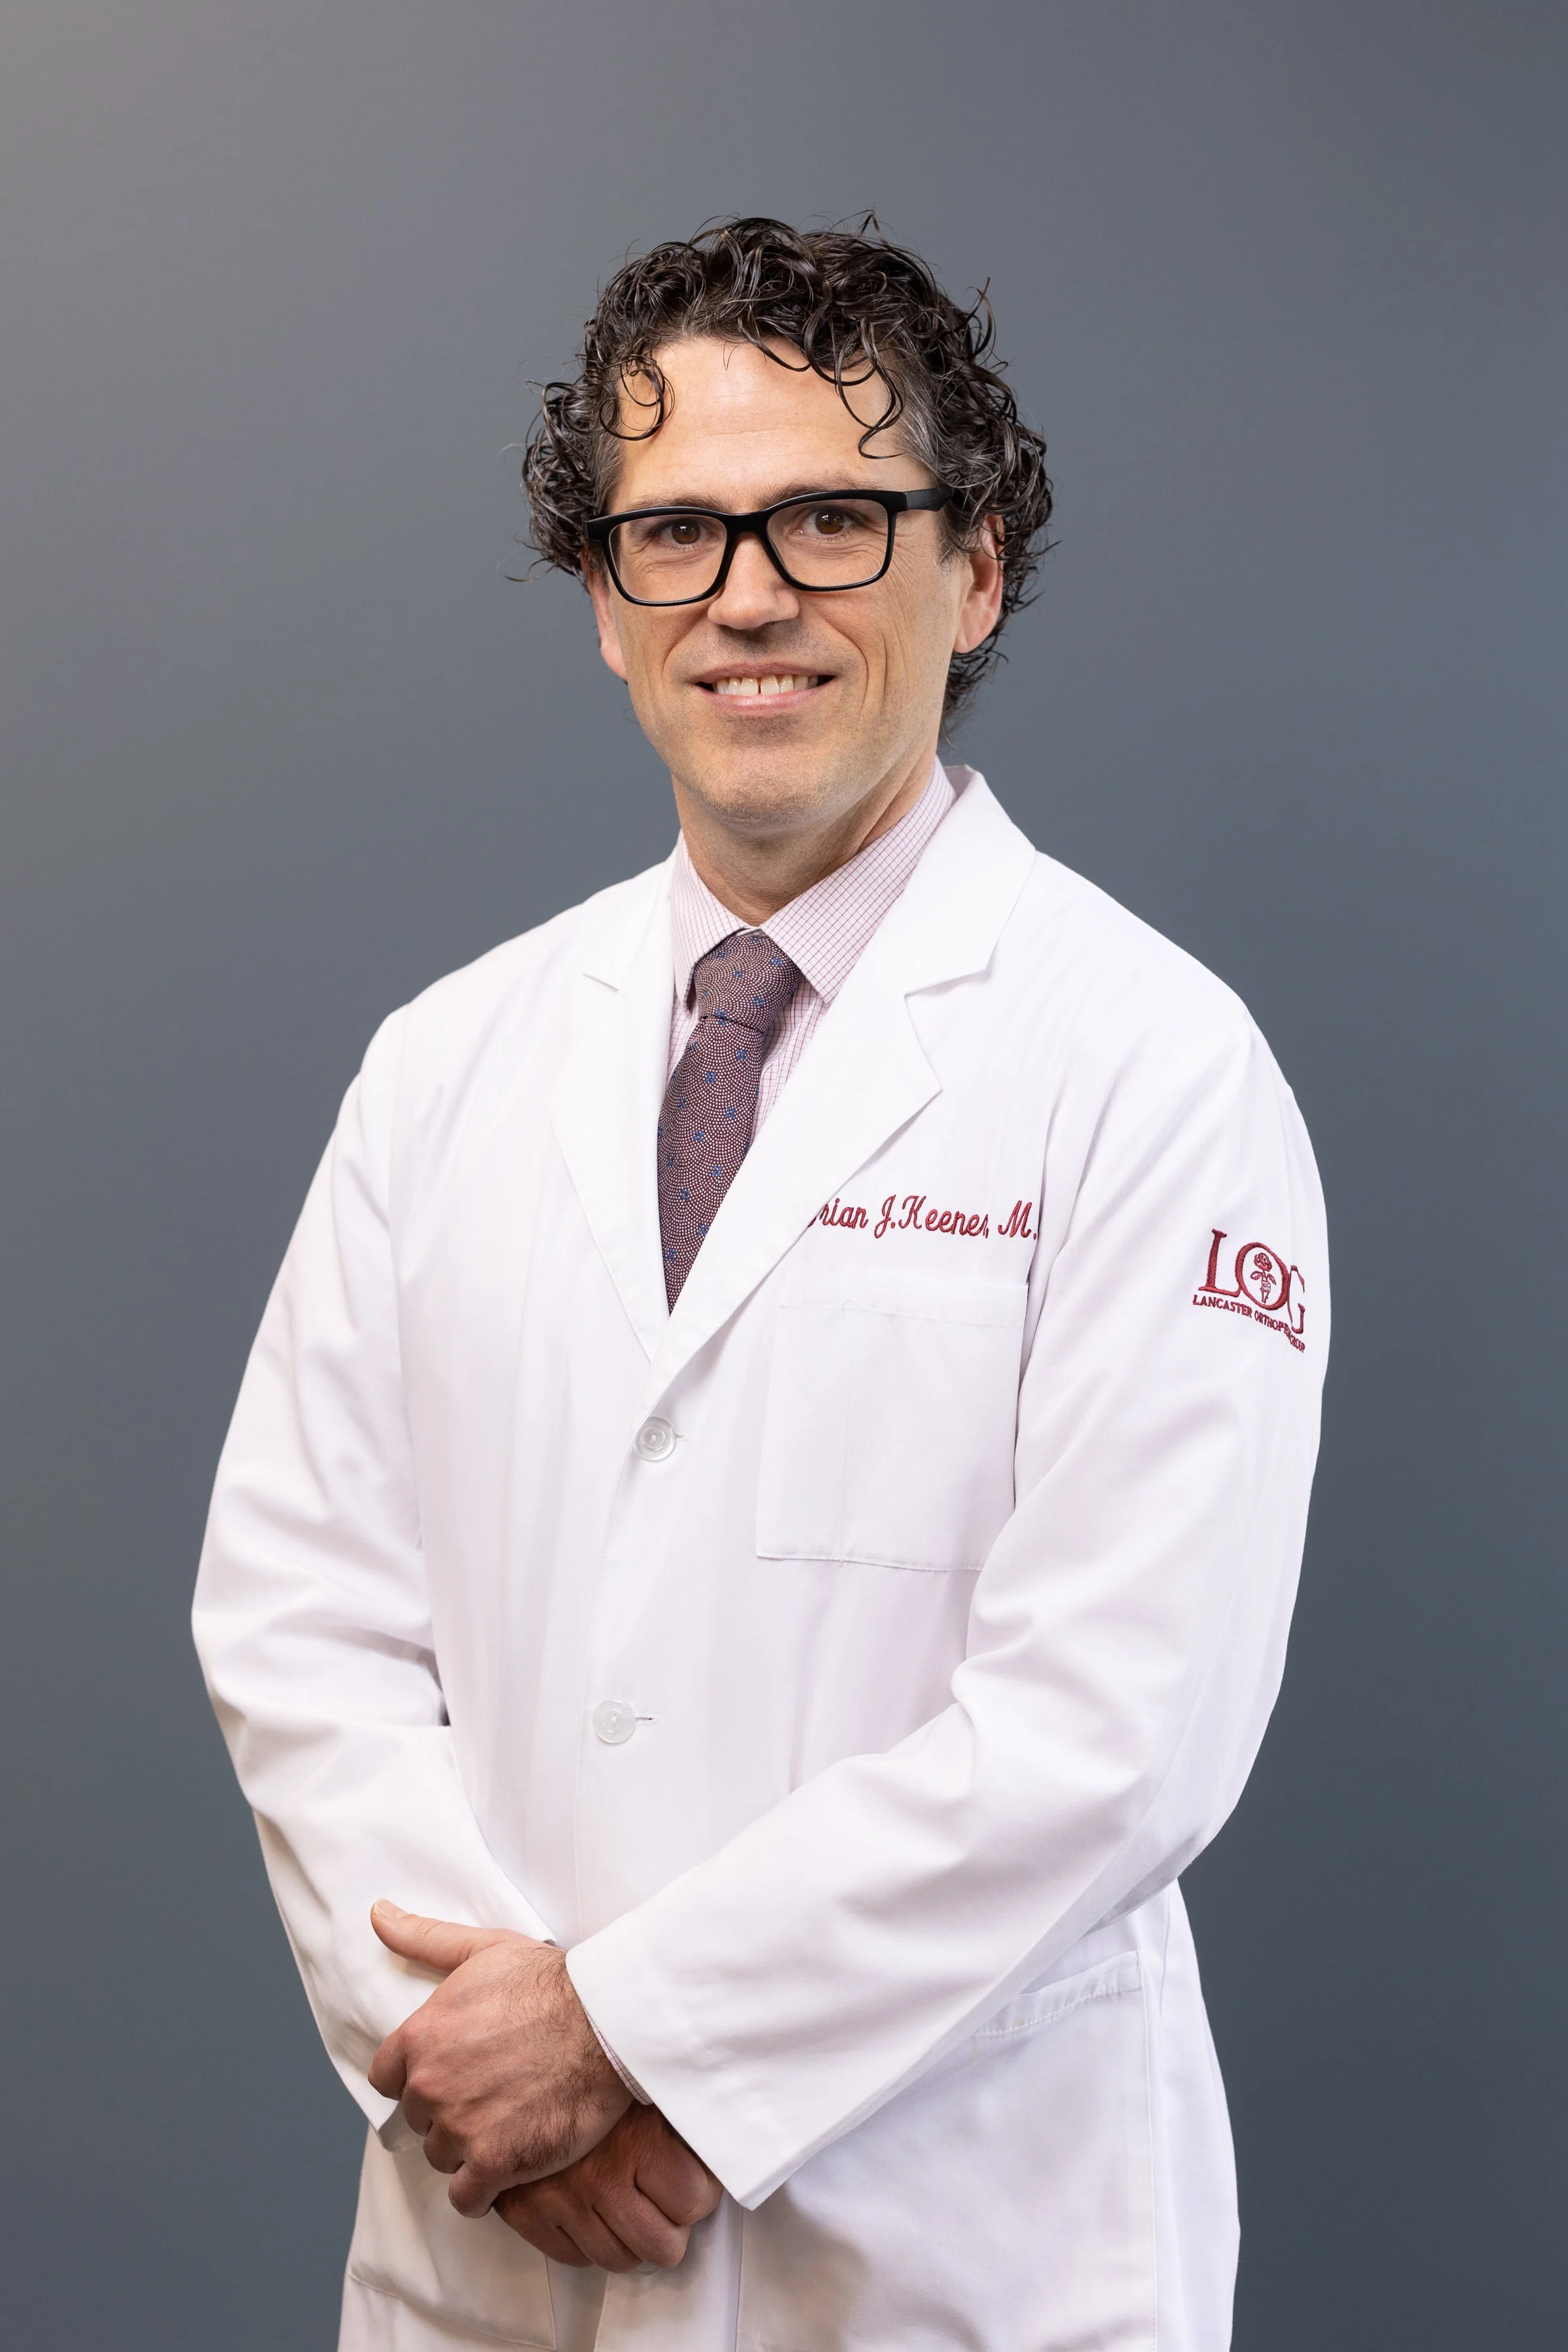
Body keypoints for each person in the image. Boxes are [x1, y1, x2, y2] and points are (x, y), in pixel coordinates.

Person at [193, 216, 1328, 2352]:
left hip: (940, 2251)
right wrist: (496, 2072)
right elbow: (298, 1616)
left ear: (970, 571)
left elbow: (1117, 1725)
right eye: (675, 536)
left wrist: (641, 2037)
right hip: (495, 2245)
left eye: (828, 515)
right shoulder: (450, 1060)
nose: (747, 595)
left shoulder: (1151, 1064)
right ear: (606, 615)